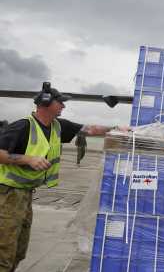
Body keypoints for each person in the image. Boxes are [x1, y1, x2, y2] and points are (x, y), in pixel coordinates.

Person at [0, 82, 129, 272]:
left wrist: (118, 128)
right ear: (45, 103)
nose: (63, 106)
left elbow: (91, 129)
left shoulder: (58, 126)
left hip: (25, 194)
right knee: (5, 249)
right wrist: (27, 159)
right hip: (8, 194)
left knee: (19, 249)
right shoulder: (22, 126)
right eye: (60, 102)